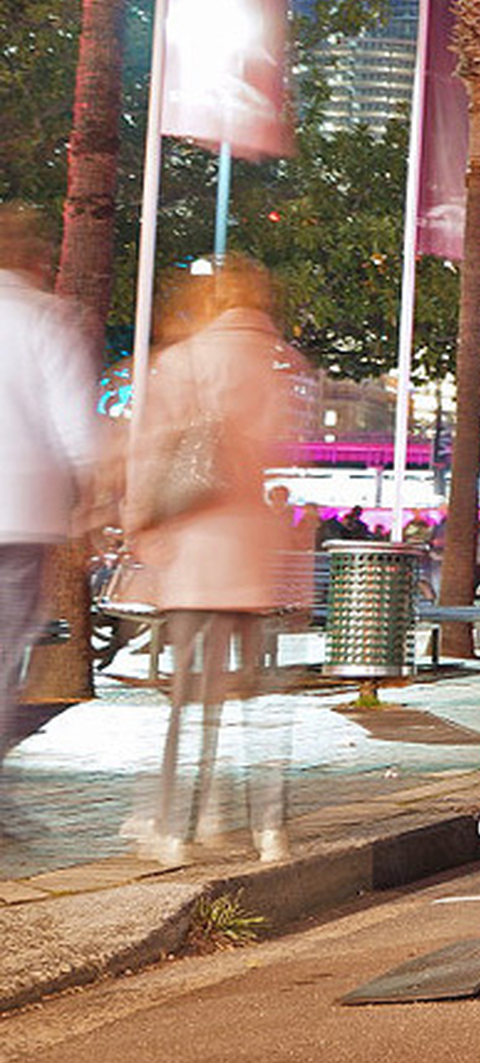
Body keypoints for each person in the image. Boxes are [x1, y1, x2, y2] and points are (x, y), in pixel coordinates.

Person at [126, 261, 305, 865]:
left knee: (188, 700)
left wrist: (139, 524)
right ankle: (269, 831)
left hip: (192, 549)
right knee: (255, 700)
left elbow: (152, 451)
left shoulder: (184, 362)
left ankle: (178, 829)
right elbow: (285, 446)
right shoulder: (280, 364)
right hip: (251, 549)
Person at [0, 209, 99, 832]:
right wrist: (91, 506)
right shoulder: (44, 320)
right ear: (35, 260)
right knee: (5, 653)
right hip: (21, 516)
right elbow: (76, 431)